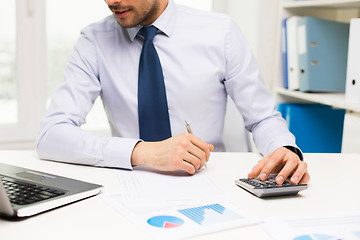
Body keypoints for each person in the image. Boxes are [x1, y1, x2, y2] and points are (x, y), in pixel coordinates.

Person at [37, 0, 310, 185]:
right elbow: (52, 134)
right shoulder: (94, 41)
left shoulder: (221, 32)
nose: (111, 0)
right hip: (130, 182)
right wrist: (142, 153)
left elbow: (262, 118)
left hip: (211, 181)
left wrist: (282, 148)